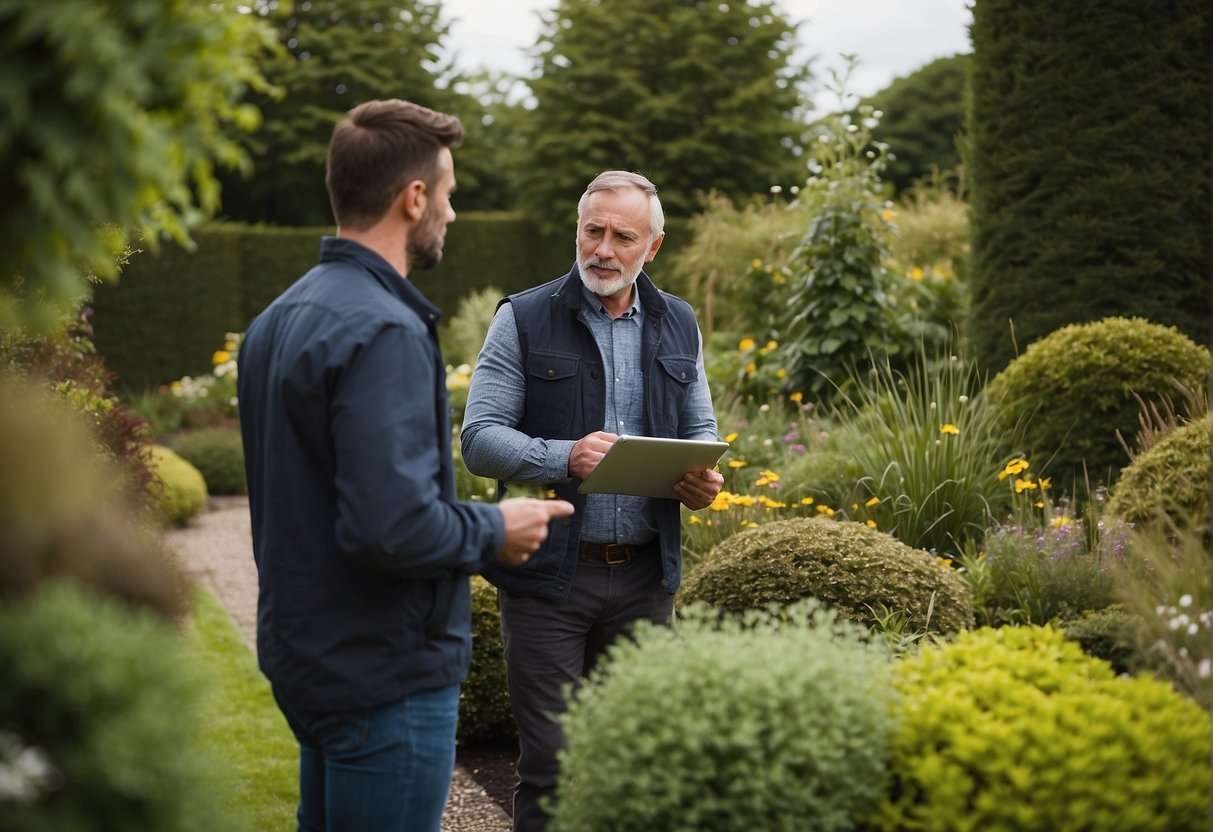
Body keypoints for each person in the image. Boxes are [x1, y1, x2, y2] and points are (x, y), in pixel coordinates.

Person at [237, 99, 574, 832]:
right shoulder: (383, 329)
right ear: (413, 196)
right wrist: (496, 529)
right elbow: (390, 526)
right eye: (447, 192)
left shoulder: (279, 317)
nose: (452, 212)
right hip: (381, 673)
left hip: (310, 658)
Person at [460, 170, 725, 831]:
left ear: (652, 247)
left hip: (644, 580)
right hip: (550, 580)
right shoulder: (523, 316)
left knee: (637, 759)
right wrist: (565, 455)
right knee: (553, 762)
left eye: (621, 237)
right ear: (577, 229)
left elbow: (700, 433)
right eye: (592, 231)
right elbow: (479, 439)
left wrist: (702, 479)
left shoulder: (677, 322)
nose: (602, 249)